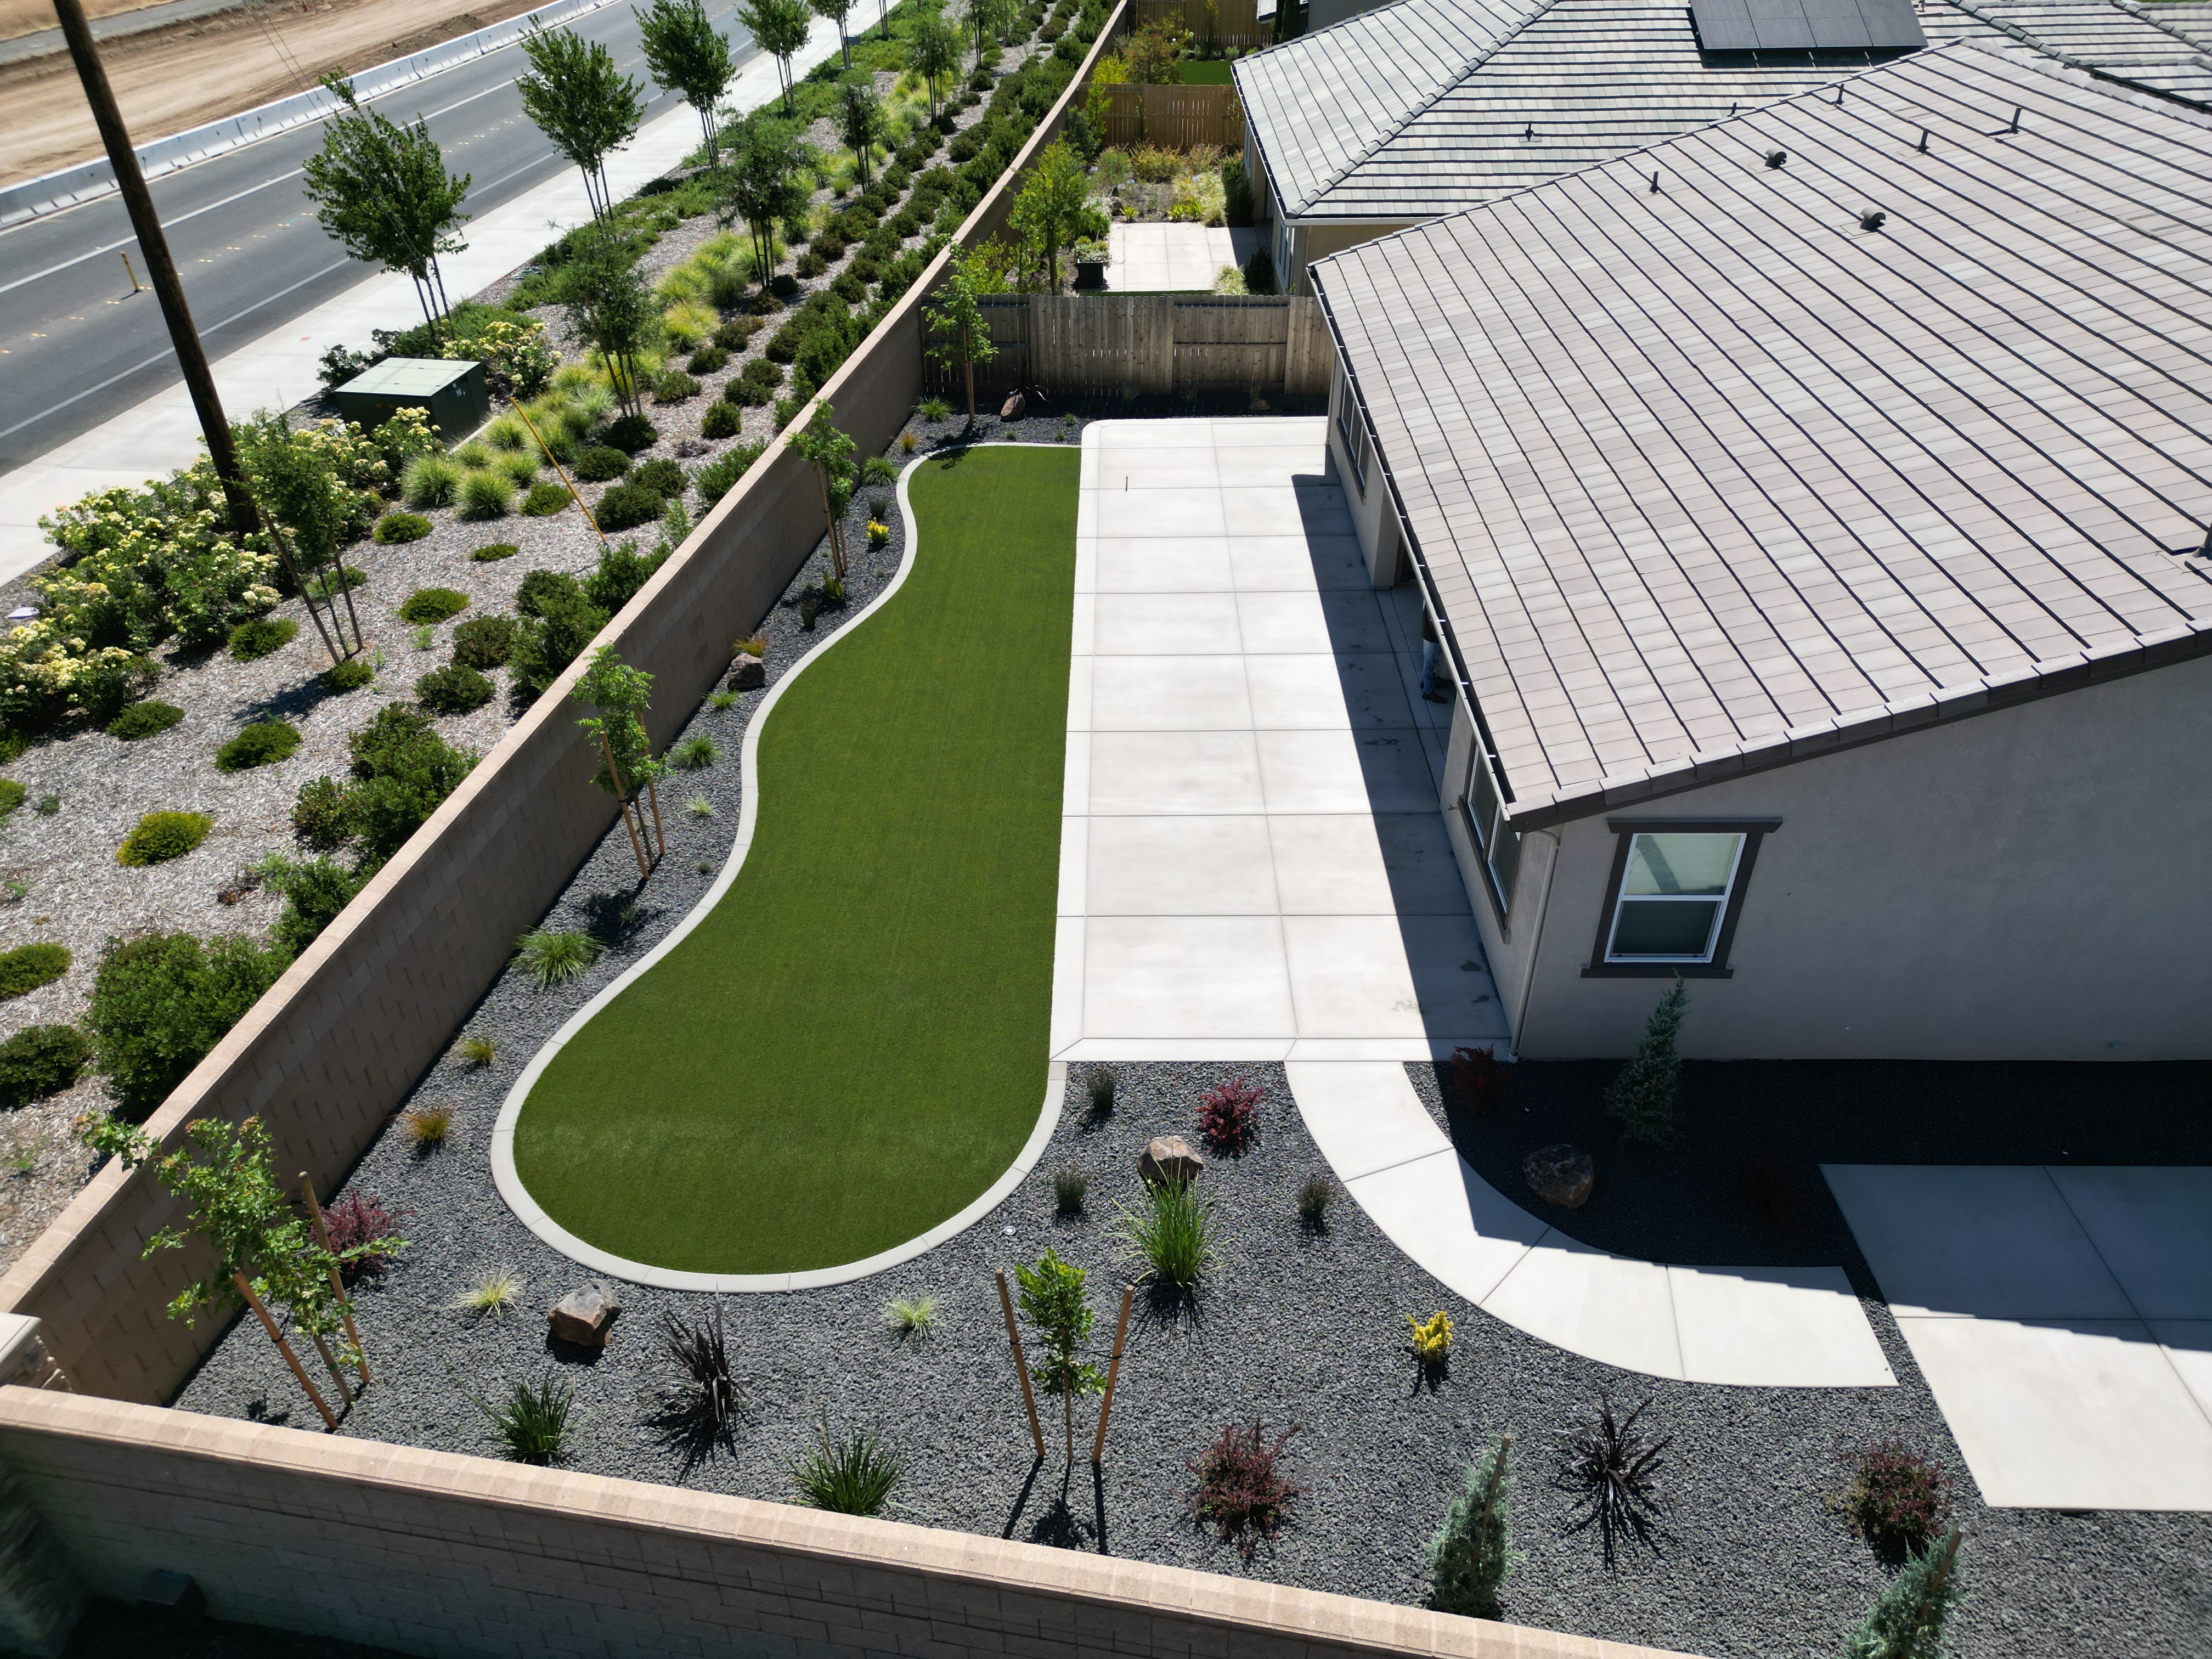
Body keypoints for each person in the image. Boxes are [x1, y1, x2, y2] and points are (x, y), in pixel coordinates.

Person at [1420, 609, 1448, 702]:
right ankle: (1428, 692)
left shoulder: (1433, 599)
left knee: (1429, 659)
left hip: (1432, 634)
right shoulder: (1435, 606)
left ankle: (1426, 683)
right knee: (1431, 662)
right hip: (1435, 636)